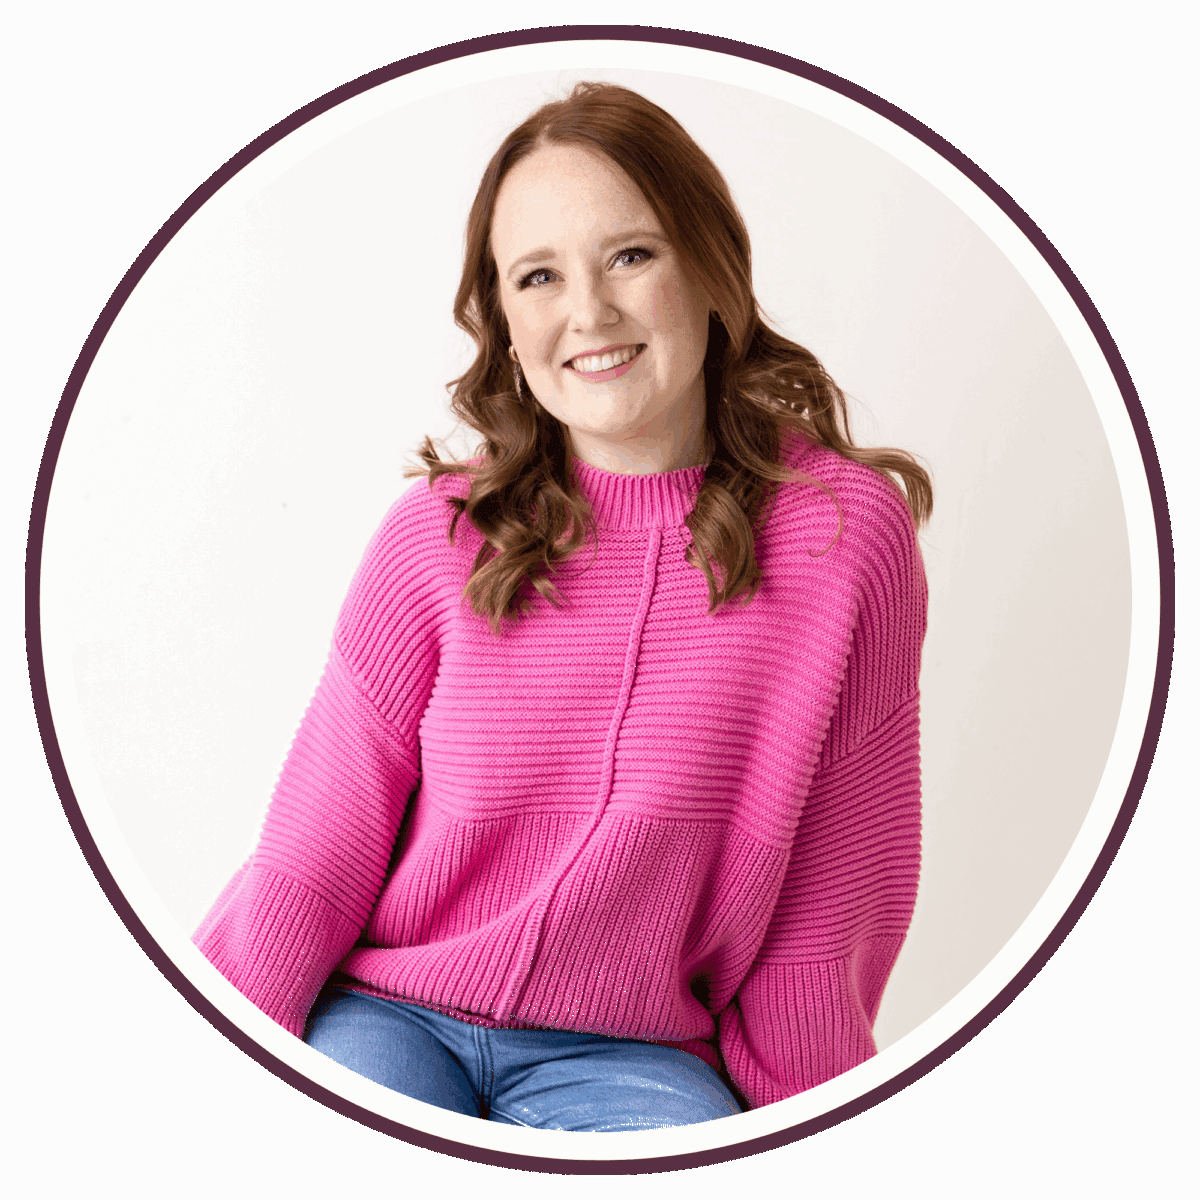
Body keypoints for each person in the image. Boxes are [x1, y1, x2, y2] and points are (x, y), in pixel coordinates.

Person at [194, 81, 932, 1132]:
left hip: (629, 1055)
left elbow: (835, 899)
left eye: (632, 255)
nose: (588, 313)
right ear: (503, 316)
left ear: (712, 270)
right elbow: (319, 848)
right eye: (539, 276)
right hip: (391, 1016)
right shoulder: (438, 536)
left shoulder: (843, 536)